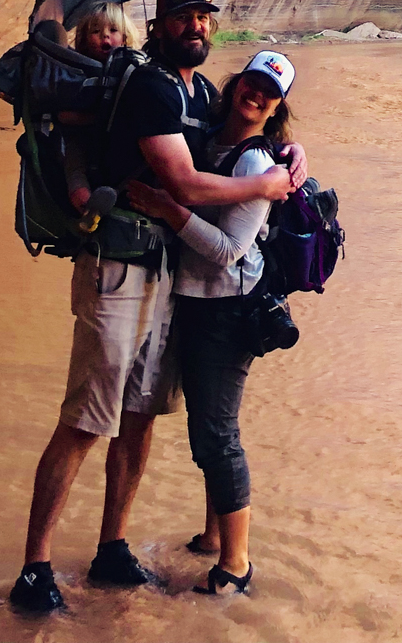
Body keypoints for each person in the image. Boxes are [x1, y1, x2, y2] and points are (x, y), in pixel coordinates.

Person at [9, 0, 306, 614]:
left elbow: (237, 142)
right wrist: (267, 188)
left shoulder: (198, 92)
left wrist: (286, 153)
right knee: (87, 417)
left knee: (140, 414)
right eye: (183, 18)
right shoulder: (148, 85)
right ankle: (34, 567)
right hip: (115, 265)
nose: (196, 27)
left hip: (164, 273)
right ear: (160, 24)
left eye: (204, 18)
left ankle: (112, 546)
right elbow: (184, 183)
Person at [127, 50, 299, 596]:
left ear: (275, 109)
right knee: (209, 428)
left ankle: (237, 565)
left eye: (269, 93)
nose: (257, 94)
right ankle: (211, 537)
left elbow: (227, 250)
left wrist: (166, 209)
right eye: (252, 82)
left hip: (228, 309)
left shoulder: (252, 163)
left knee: (217, 436)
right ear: (235, 85)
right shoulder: (209, 141)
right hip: (202, 303)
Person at [59, 1, 141, 214]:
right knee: (75, 162)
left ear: (125, 37)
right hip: (82, 135)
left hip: (119, 138)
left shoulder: (135, 70)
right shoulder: (77, 72)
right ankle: (84, 203)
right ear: (85, 41)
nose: (105, 36)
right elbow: (64, 117)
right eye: (96, 32)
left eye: (113, 31)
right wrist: (103, 118)